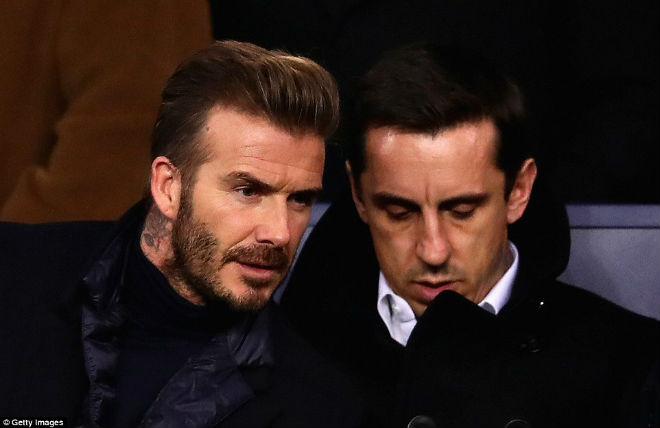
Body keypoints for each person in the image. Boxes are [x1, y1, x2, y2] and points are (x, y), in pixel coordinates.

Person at [280, 42, 660, 427]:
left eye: (462, 212)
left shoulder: (628, 364)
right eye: (399, 213)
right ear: (358, 195)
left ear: (519, 191)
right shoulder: (291, 354)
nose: (433, 251)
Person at [0, 40, 361, 427]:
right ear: (168, 187)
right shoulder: (13, 274)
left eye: (300, 199)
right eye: (247, 191)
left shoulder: (322, 407)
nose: (280, 233)